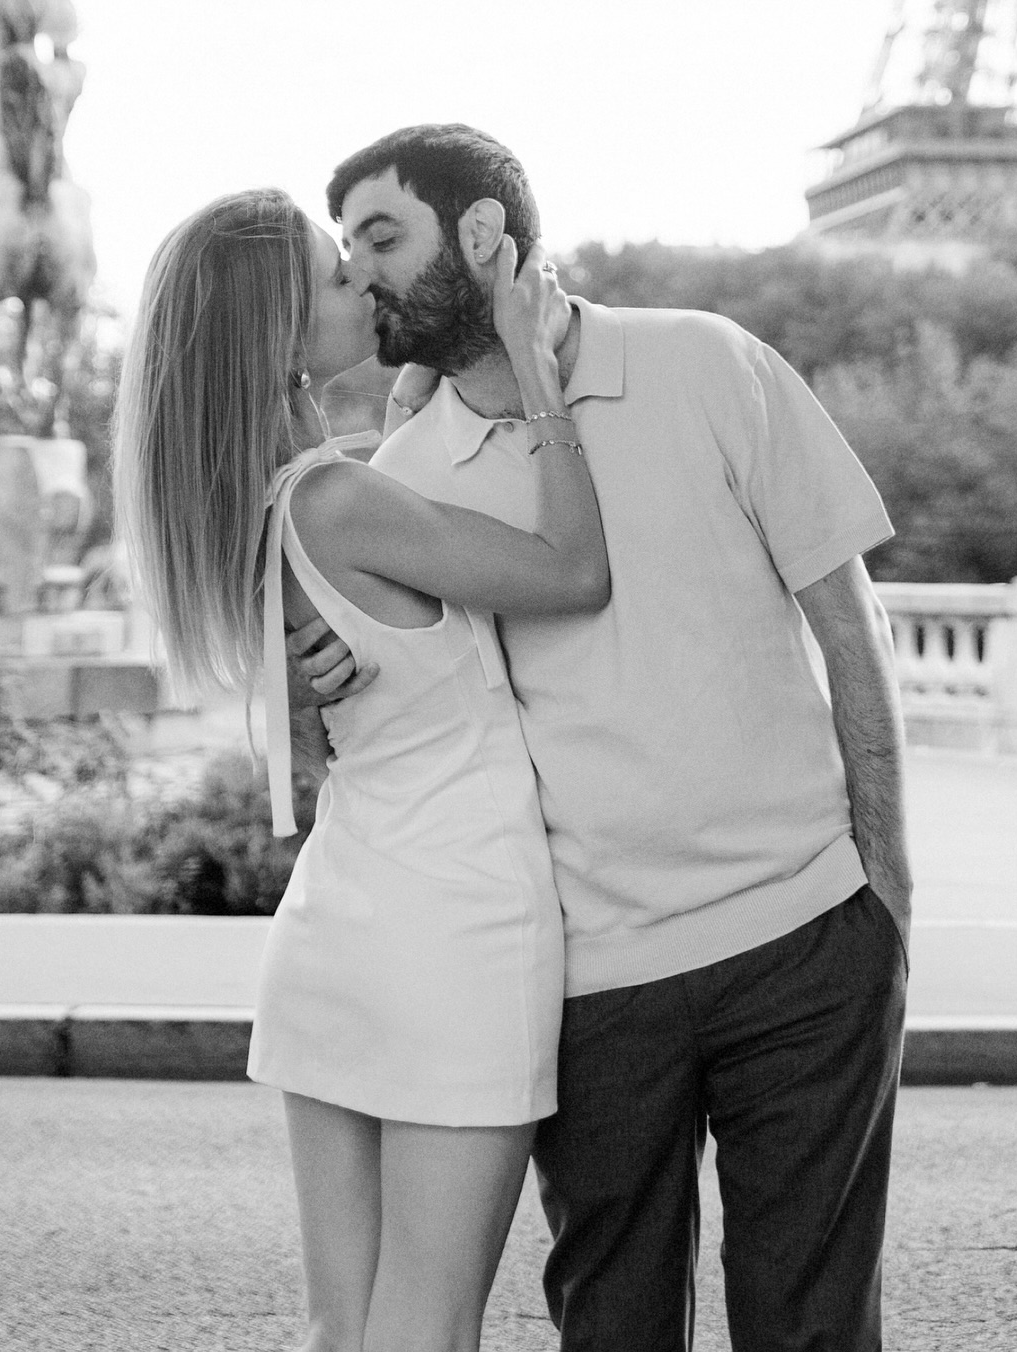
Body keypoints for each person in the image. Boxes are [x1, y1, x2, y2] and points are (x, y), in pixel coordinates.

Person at [289, 124, 912, 1352]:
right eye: (346, 249)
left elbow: (848, 622)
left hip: (803, 939)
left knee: (813, 1330)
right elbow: (396, 690)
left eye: (380, 237)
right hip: (591, 978)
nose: (358, 274)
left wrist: (885, 880)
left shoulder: (705, 362)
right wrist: (314, 680)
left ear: (482, 235)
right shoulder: (407, 472)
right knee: (612, 1328)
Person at [113, 187, 611, 1352]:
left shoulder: (267, 509)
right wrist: (539, 376)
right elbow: (576, 575)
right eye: (336, 277)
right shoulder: (340, 498)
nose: (362, 282)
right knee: (424, 1327)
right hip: (454, 936)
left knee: (348, 1329)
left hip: (342, 932)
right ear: (285, 332)